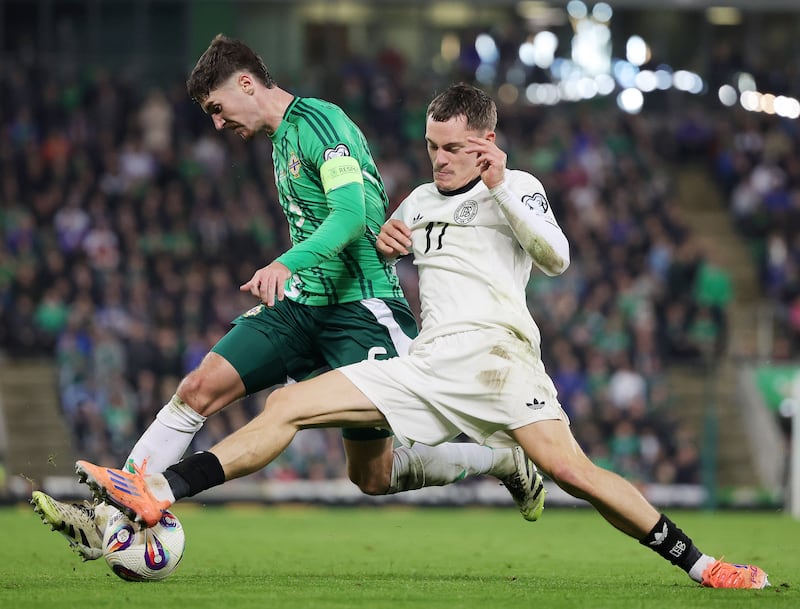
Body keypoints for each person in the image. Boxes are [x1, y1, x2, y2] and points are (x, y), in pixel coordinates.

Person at [75, 83, 768, 590]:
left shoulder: (518, 184)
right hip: (429, 362)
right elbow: (384, 250)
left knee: (574, 473)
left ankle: (706, 566)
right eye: (432, 146)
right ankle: (159, 488)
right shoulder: (421, 199)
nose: (439, 159)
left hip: (501, 362)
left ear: (487, 143)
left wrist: (498, 189)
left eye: (454, 148)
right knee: (289, 410)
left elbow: (555, 255)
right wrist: (384, 237)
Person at [31, 37, 545, 562]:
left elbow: (347, 216)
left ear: (247, 83)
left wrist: (284, 263)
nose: (216, 123)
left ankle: (500, 460)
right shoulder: (280, 140)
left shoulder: (321, 123)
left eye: (216, 108)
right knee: (198, 387)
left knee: (374, 473)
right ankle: (109, 520)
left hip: (361, 311)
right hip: (302, 307)